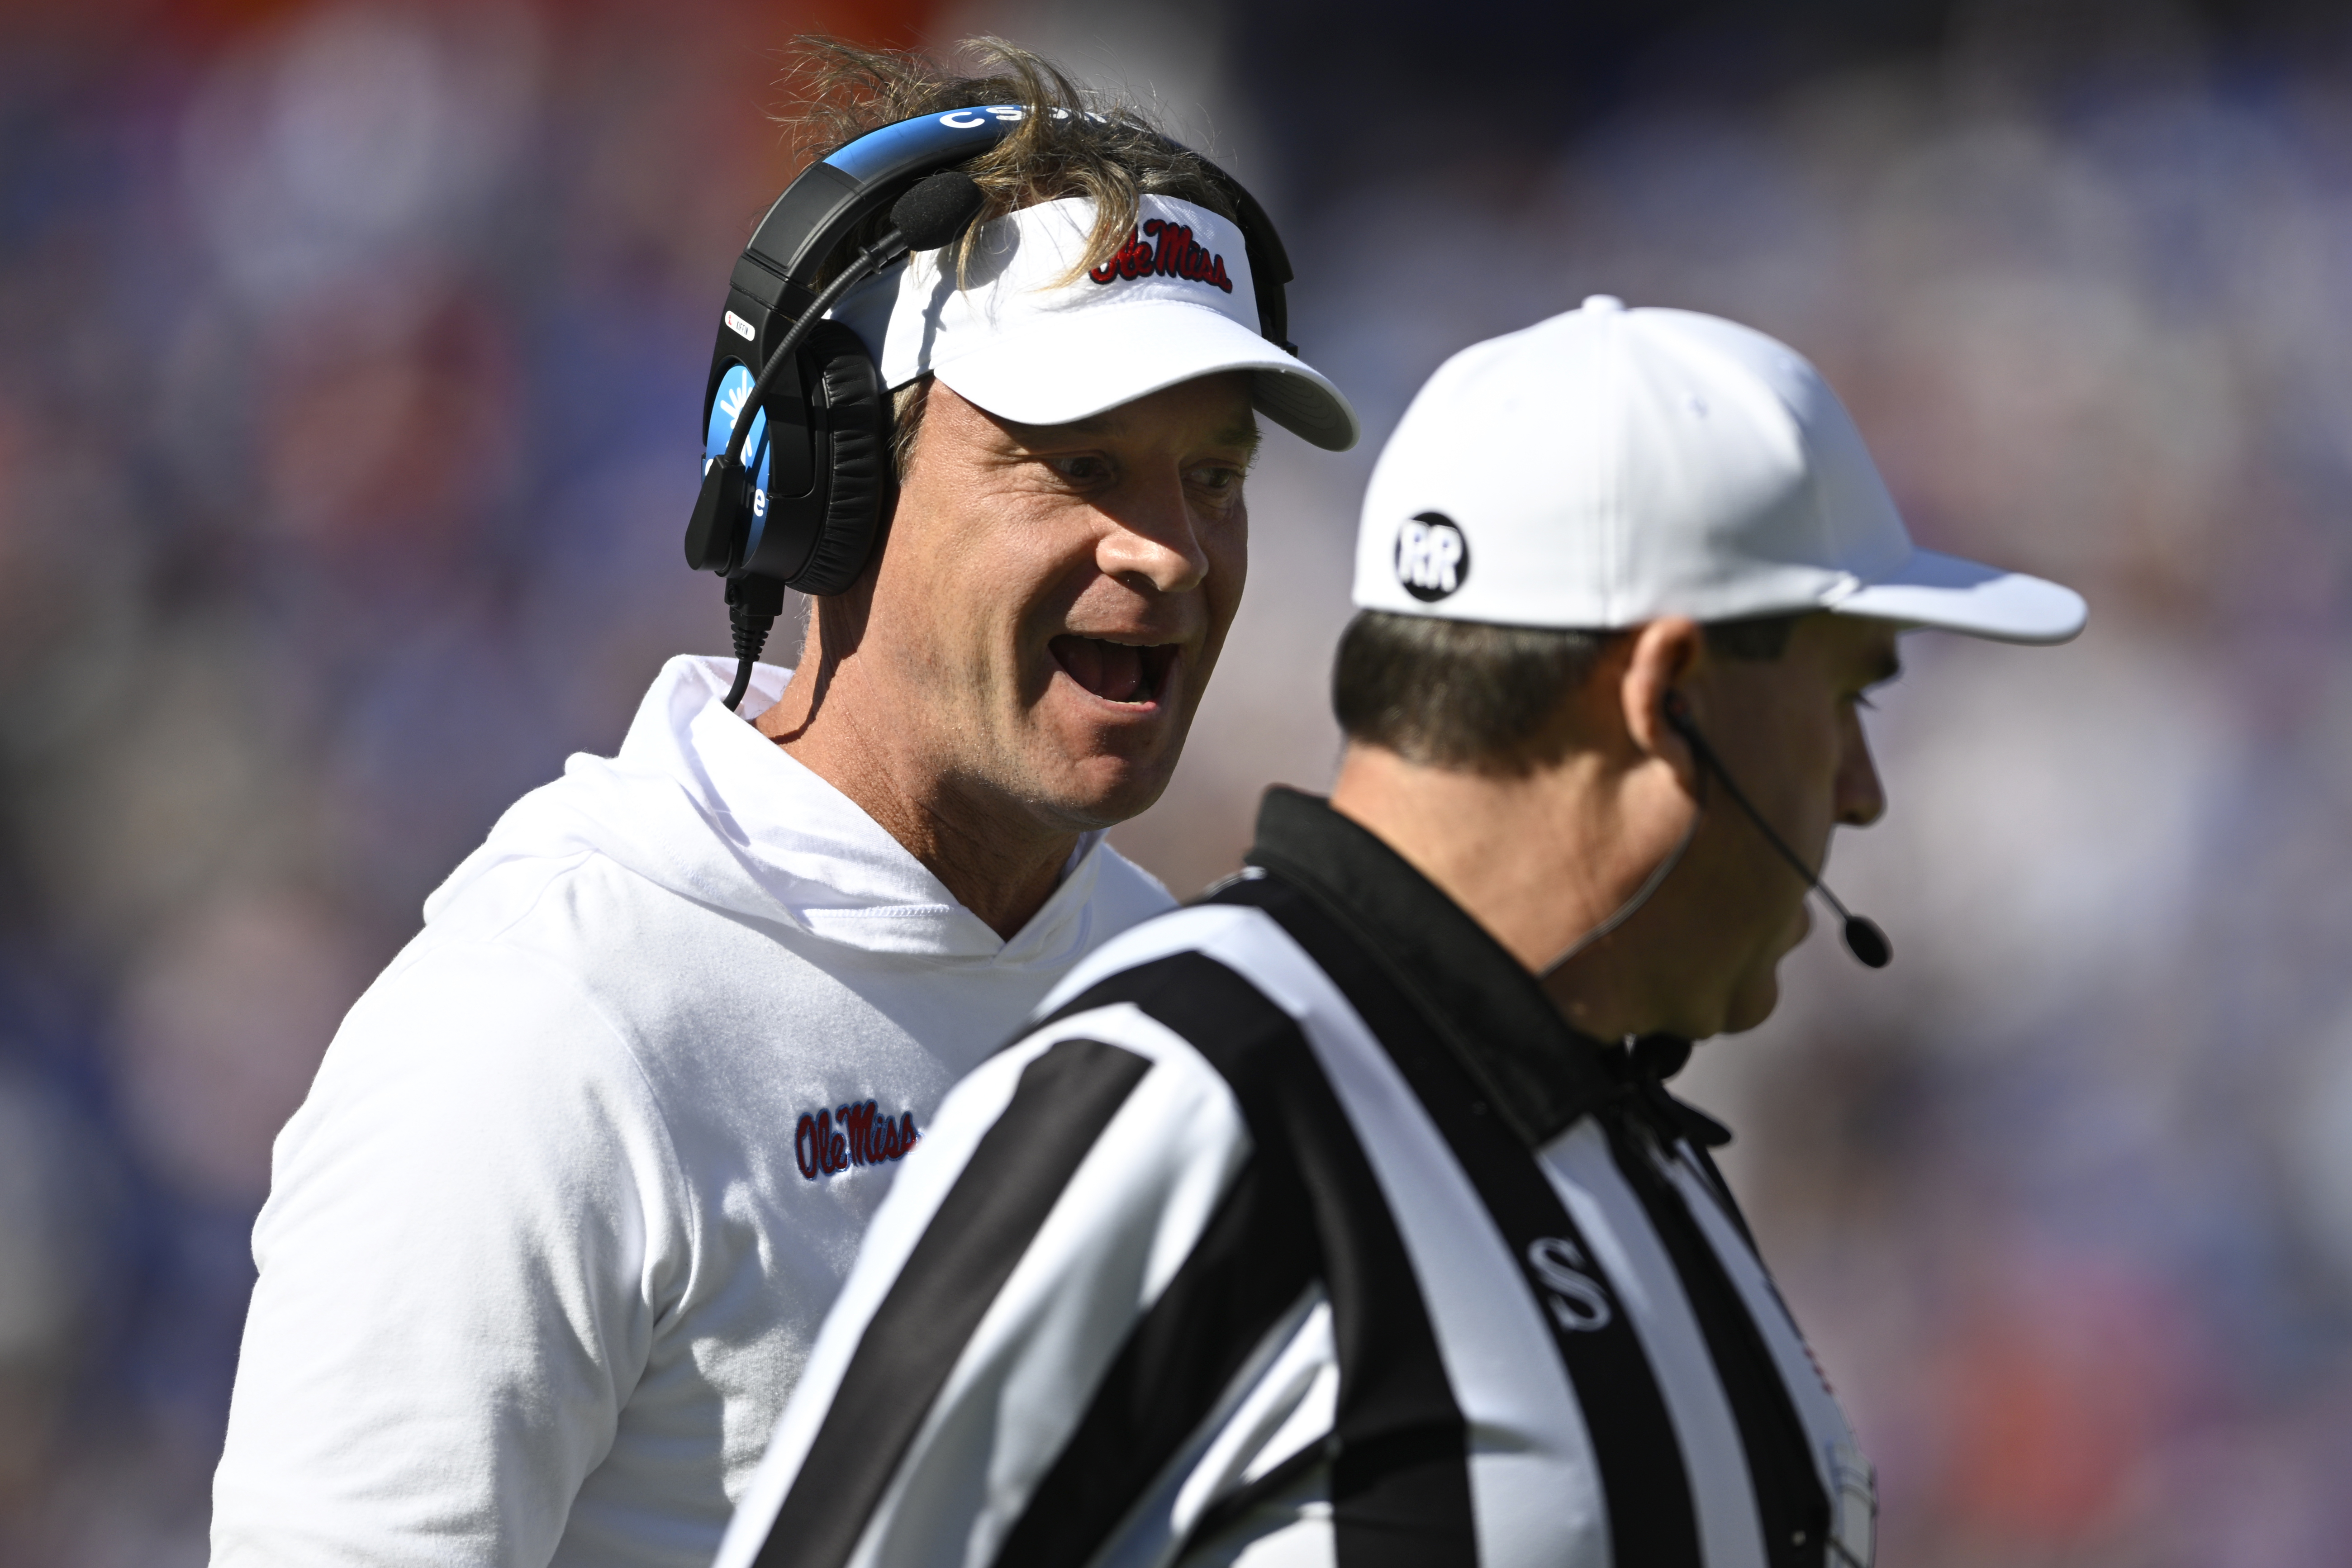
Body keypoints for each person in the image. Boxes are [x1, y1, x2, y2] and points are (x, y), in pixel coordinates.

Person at [208, 41, 1358, 1568]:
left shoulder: (1188, 1001)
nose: (1168, 551)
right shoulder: (555, 1025)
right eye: (1076, 464)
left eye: (1213, 476)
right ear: (828, 484)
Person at [710, 295, 2086, 1568]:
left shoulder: (1626, 1139)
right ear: (1668, 697)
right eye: (1850, 697)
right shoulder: (1194, 1093)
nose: (1862, 787)